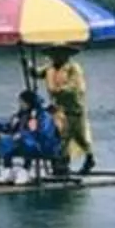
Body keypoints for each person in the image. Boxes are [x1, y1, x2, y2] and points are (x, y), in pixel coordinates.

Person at [40, 46, 97, 176]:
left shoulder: (73, 68)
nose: (55, 57)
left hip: (74, 108)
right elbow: (38, 73)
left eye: (58, 55)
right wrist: (28, 65)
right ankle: (61, 165)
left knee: (80, 137)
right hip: (59, 109)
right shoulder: (50, 68)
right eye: (53, 55)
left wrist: (59, 90)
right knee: (61, 137)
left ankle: (89, 158)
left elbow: (77, 87)